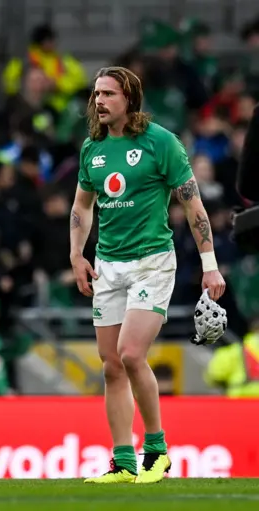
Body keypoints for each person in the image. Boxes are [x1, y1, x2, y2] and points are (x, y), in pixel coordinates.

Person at [70, 66, 226, 484]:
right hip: (108, 263)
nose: (99, 101)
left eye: (109, 94)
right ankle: (122, 462)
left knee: (131, 354)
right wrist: (76, 254)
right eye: (96, 94)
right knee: (111, 365)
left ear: (130, 99)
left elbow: (194, 206)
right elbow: (82, 207)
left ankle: (156, 451)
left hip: (152, 261)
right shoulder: (92, 148)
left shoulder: (161, 143)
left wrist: (210, 266)